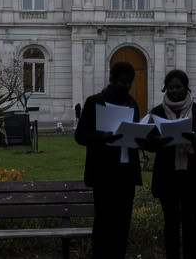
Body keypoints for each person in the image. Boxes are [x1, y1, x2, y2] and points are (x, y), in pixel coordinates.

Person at [75, 61, 143, 259]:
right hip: (104, 173)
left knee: (123, 224)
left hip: (126, 172)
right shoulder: (94, 102)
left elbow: (134, 132)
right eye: (123, 82)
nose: (127, 86)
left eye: (129, 82)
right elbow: (80, 135)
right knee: (103, 222)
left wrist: (140, 136)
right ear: (112, 80)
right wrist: (102, 137)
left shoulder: (132, 104)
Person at [148, 69, 196, 259]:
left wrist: (192, 137)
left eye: (178, 87)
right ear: (165, 89)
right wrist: (163, 140)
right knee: (170, 224)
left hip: (191, 176)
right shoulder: (157, 112)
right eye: (170, 88)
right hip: (167, 176)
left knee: (191, 223)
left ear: (186, 88)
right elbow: (149, 143)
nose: (174, 91)